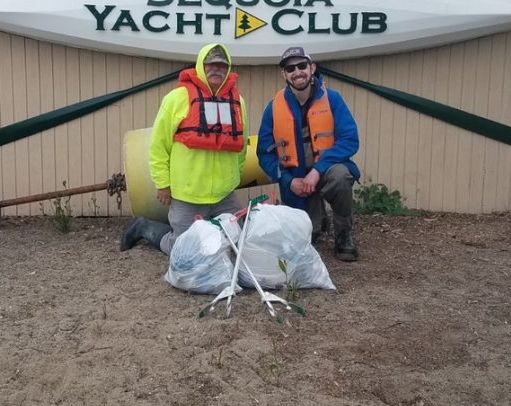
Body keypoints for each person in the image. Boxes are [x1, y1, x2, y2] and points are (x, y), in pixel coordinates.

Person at [121, 43, 248, 254]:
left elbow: (241, 146)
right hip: (188, 194)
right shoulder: (177, 98)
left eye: (221, 66)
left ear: (228, 69)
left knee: (237, 243)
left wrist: (234, 175)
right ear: (200, 66)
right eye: (210, 65)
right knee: (184, 249)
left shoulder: (238, 102)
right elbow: (158, 145)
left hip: (225, 195)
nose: (216, 69)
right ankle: (144, 227)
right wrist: (162, 184)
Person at [257, 46, 361, 261]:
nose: (298, 72)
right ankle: (318, 220)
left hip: (326, 171)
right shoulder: (273, 108)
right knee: (305, 238)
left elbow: (349, 140)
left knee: (341, 176)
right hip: (297, 182)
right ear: (284, 74)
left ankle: (343, 232)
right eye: (290, 68)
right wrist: (288, 180)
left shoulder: (332, 99)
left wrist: (318, 170)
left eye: (302, 65)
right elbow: (264, 154)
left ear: (312, 68)